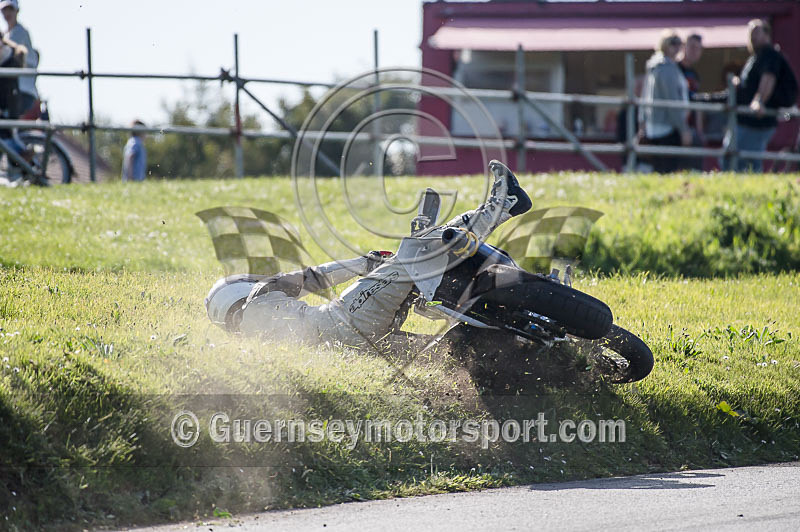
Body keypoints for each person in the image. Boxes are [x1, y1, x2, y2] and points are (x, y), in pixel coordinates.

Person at [204, 160, 533, 347]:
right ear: (239, 289)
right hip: (347, 320)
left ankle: (523, 337)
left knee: (451, 349)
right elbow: (315, 278)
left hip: (366, 349)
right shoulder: (260, 297)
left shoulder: (252, 344)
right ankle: (503, 206)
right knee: (413, 255)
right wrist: (364, 263)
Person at [723, 19, 798, 172]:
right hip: (747, 120)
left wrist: (759, 101)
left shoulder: (769, 54)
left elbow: (768, 78)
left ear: (767, 34)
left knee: (744, 163)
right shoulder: (755, 58)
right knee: (735, 159)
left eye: (757, 32)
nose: (753, 37)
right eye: (751, 33)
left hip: (756, 121)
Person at [639, 30, 692, 174]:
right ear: (665, 45)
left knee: (660, 170)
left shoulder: (655, 66)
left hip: (655, 126)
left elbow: (643, 97)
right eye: (673, 43)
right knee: (668, 169)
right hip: (668, 127)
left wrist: (642, 121)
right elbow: (672, 102)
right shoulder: (666, 68)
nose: (677, 47)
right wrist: (683, 129)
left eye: (679, 43)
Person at [0, 0, 37, 118]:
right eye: (4, 9)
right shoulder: (6, 34)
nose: (7, 13)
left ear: (17, 11)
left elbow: (7, 53)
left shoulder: (19, 32)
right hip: (11, 93)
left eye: (10, 9)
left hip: (21, 93)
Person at [678, 33, 705, 171]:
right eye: (692, 47)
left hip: (691, 128)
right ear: (684, 47)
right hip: (677, 126)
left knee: (695, 167)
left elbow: (697, 102)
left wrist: (700, 131)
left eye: (698, 48)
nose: (694, 51)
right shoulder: (674, 69)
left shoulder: (695, 75)